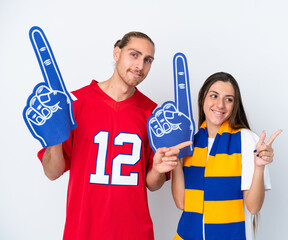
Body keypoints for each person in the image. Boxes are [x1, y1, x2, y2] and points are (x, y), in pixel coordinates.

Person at [38, 31, 190, 240]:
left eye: (148, 60)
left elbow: (152, 184)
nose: (140, 66)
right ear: (116, 53)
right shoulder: (76, 103)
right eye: (134, 55)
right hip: (83, 232)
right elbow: (52, 172)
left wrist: (156, 169)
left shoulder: (153, 114)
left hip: (134, 232)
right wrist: (53, 137)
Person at [171, 72, 282, 240]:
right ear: (202, 97)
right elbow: (182, 203)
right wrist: (177, 162)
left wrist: (259, 167)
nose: (220, 105)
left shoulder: (246, 140)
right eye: (214, 96)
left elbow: (253, 207)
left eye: (228, 99)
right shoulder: (190, 143)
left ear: (235, 104)